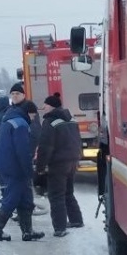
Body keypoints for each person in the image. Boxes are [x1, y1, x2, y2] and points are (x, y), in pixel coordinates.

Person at [0, 84, 44, 242]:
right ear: (29, 113)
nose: (33, 119)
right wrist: (28, 171)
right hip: (13, 167)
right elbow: (22, 151)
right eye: (33, 116)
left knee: (26, 198)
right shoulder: (20, 124)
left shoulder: (11, 117)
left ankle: (28, 231)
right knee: (11, 199)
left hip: (7, 164)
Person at [36, 93, 85, 236]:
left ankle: (60, 228)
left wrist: (40, 166)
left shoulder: (50, 122)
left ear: (51, 106)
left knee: (56, 195)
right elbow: (78, 140)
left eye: (45, 105)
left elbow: (46, 146)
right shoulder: (72, 120)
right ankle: (76, 219)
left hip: (57, 163)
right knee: (68, 192)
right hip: (72, 160)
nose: (43, 107)